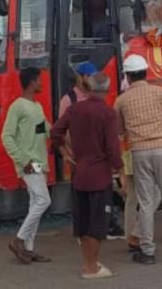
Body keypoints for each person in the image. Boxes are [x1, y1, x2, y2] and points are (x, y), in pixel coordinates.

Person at [114, 54, 162, 264]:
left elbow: (119, 130)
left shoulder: (121, 100)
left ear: (127, 75)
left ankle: (147, 252)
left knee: (145, 204)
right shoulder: (161, 92)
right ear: (146, 72)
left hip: (139, 152)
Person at [52, 72, 124, 279]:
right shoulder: (107, 113)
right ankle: (91, 267)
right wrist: (121, 172)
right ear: (108, 90)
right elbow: (112, 148)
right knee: (97, 222)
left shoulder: (74, 109)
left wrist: (66, 153)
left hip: (79, 172)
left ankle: (88, 262)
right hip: (99, 175)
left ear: (89, 87)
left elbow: (55, 132)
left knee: (82, 221)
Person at [1, 67, 52, 264]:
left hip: (39, 163)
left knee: (35, 203)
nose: (41, 83)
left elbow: (44, 130)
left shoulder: (36, 107)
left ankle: (29, 249)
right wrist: (22, 160)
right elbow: (6, 136)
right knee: (43, 201)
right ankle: (19, 240)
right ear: (32, 82)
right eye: (39, 80)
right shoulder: (18, 106)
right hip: (30, 163)